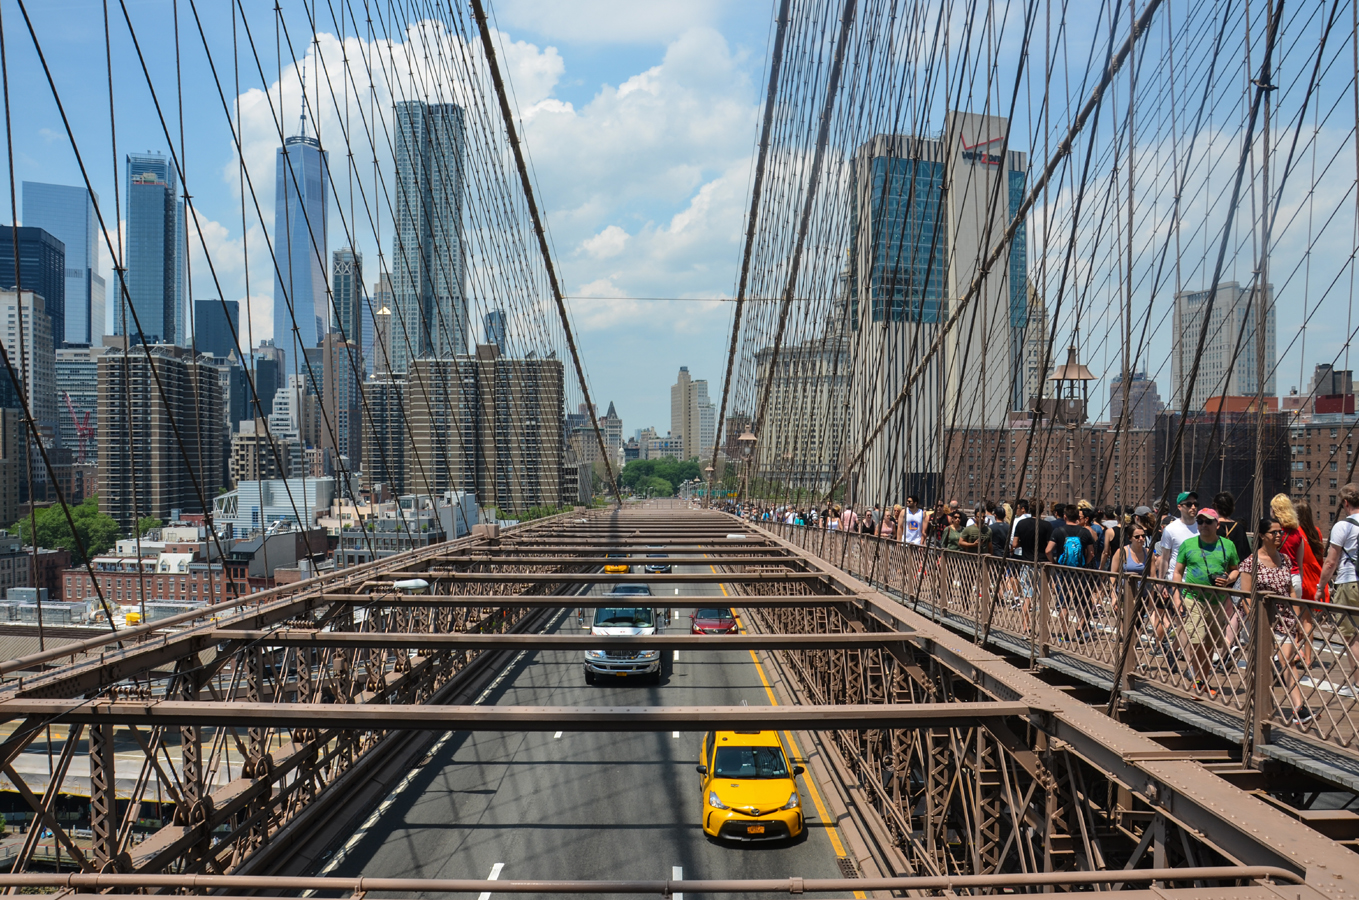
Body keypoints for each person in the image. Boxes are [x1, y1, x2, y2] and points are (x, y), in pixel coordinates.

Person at [1241, 517, 1310, 725]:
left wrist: (1297, 617)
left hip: (1284, 617)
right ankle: (1256, 702)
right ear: (1262, 535)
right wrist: (1253, 618)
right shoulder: (1250, 563)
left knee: (1286, 660)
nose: (1278, 536)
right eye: (1273, 532)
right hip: (1262, 619)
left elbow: (1290, 590)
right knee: (1260, 663)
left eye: (1280, 532)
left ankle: (1299, 708)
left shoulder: (1285, 560)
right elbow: (1246, 595)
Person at [1172, 507, 1241, 699]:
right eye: (1200, 521)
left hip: (1217, 601)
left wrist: (1228, 580)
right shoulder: (1188, 545)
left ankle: (1202, 678)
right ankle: (1199, 679)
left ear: (1217, 525)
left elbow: (1235, 569)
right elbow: (1178, 572)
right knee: (1196, 640)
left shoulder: (1228, 545)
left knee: (1210, 644)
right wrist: (1177, 597)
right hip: (1193, 598)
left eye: (1207, 522)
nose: (1203, 525)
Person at [1047, 505, 1096, 639]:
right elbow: (1091, 552)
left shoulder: (1058, 531)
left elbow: (1048, 550)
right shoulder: (1085, 532)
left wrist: (1054, 563)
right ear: (1077, 517)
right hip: (1080, 571)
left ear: (1065, 516)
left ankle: (1064, 634)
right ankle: (1079, 629)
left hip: (1063, 571)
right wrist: (1084, 563)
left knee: (1064, 603)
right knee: (1081, 601)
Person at [1156, 492, 1199, 580]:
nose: (1193, 507)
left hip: (1197, 582)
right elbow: (1164, 559)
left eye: (1195, 504)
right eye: (1189, 504)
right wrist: (1162, 583)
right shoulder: (1170, 529)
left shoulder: (1202, 527)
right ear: (1179, 507)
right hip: (1176, 582)